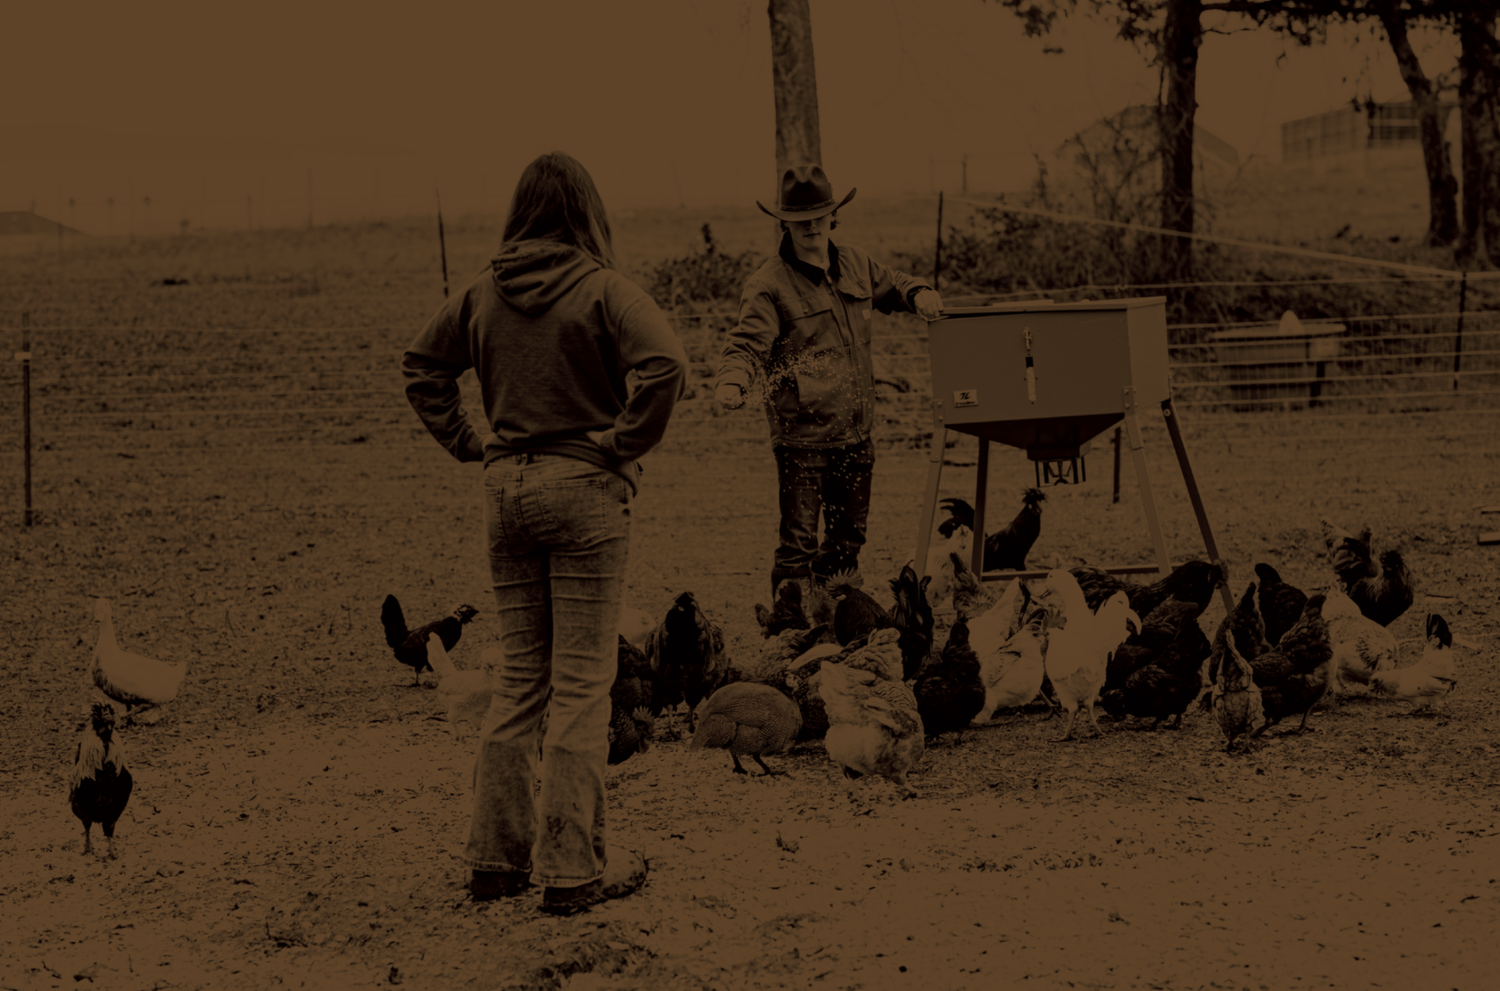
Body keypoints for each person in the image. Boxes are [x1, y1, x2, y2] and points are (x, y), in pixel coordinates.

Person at [401, 151, 688, 914]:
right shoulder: (604, 289)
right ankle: (571, 870)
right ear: (587, 212)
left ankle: (494, 862)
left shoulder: (482, 293)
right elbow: (667, 364)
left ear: (520, 212)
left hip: (505, 495)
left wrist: (471, 442)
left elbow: (421, 366)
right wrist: (622, 442)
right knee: (584, 685)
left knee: (520, 680)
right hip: (586, 492)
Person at [713, 164, 943, 598]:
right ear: (785, 223)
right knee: (799, 542)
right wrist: (733, 381)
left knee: (848, 540)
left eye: (818, 216)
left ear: (833, 216)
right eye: (800, 220)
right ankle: (789, 632)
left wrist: (918, 293)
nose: (810, 226)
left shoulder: (856, 263)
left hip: (856, 434)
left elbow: (894, 284)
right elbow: (746, 343)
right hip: (802, 440)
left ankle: (837, 618)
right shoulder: (768, 285)